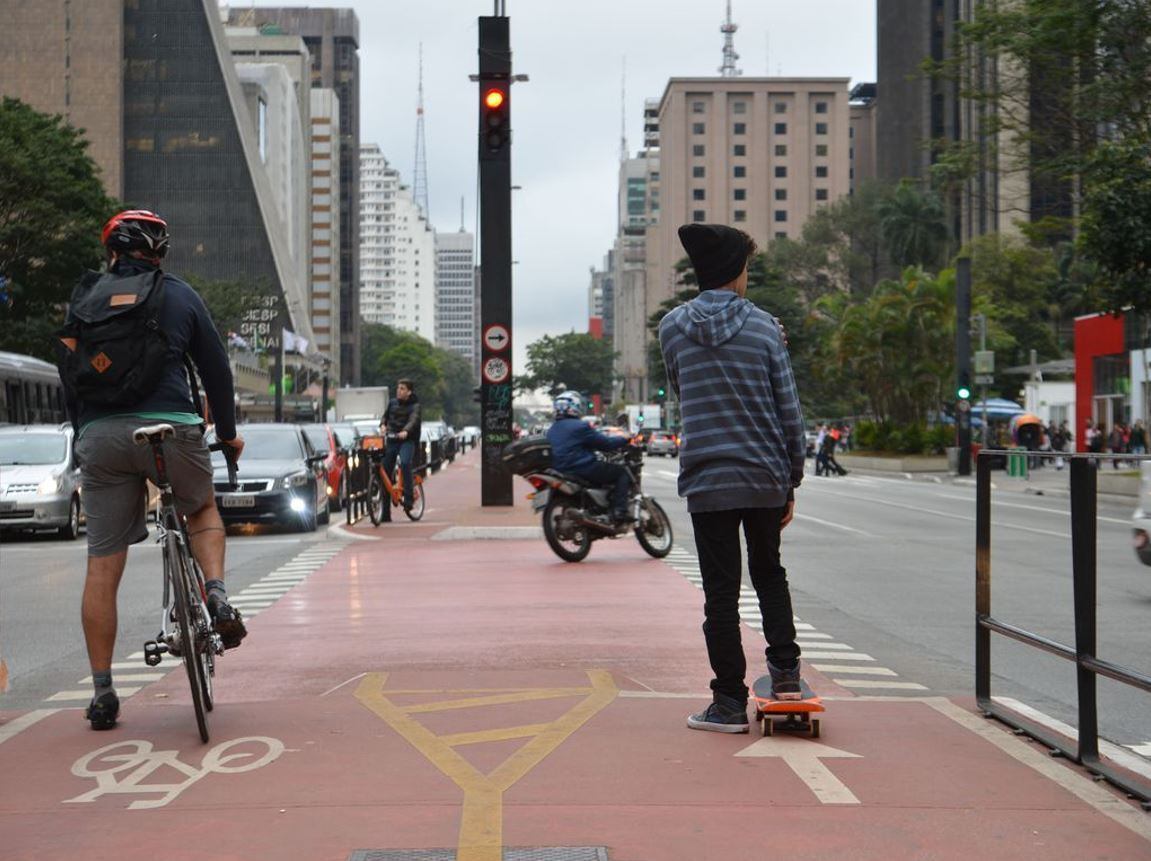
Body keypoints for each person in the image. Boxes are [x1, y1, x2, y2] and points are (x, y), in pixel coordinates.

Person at [57, 210, 246, 731]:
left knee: (102, 564)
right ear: (159, 254)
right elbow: (216, 370)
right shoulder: (180, 295)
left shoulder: (84, 299)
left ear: (111, 253)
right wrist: (228, 433)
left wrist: (85, 432)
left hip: (101, 435)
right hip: (173, 427)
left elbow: (69, 374)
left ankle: (102, 692)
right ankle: (215, 594)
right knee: (201, 508)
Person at [659, 222, 807, 734]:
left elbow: (682, 390)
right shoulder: (765, 328)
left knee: (720, 593)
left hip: (707, 478)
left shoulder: (671, 328)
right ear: (735, 271)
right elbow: (788, 409)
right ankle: (785, 677)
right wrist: (792, 478)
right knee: (769, 574)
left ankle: (727, 703)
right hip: (764, 474)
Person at [545, 391, 633, 524]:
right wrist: (625, 438)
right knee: (621, 473)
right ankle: (619, 512)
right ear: (575, 407)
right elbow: (606, 444)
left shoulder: (552, 429)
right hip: (582, 468)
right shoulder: (581, 426)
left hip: (560, 469)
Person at [378, 379, 422, 519]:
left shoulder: (415, 406)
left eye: (402, 388)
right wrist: (383, 425)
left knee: (405, 463)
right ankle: (385, 512)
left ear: (409, 392)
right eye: (398, 388)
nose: (399, 390)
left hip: (407, 440)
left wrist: (406, 431)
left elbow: (413, 420)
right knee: (384, 472)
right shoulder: (392, 403)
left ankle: (409, 499)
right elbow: (385, 417)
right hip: (392, 440)